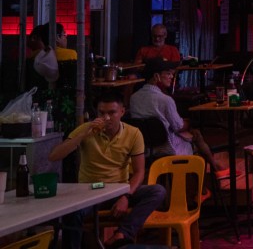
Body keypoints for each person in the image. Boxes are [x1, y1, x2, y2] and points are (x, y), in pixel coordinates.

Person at [49, 93, 166, 249]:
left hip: (118, 190)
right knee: (72, 211)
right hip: (90, 191)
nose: (106, 118)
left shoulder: (133, 133)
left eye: (112, 112)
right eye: (102, 113)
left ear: (122, 112)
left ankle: (122, 234)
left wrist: (126, 196)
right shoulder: (87, 129)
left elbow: (139, 172)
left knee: (157, 191)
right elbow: (54, 156)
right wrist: (84, 135)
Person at [130, 58, 226, 177]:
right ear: (156, 76)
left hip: (145, 149)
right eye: (168, 74)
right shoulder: (166, 100)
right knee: (196, 134)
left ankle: (214, 169)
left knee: (193, 134)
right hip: (167, 147)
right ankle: (210, 175)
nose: (171, 76)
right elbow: (178, 126)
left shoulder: (134, 98)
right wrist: (188, 122)